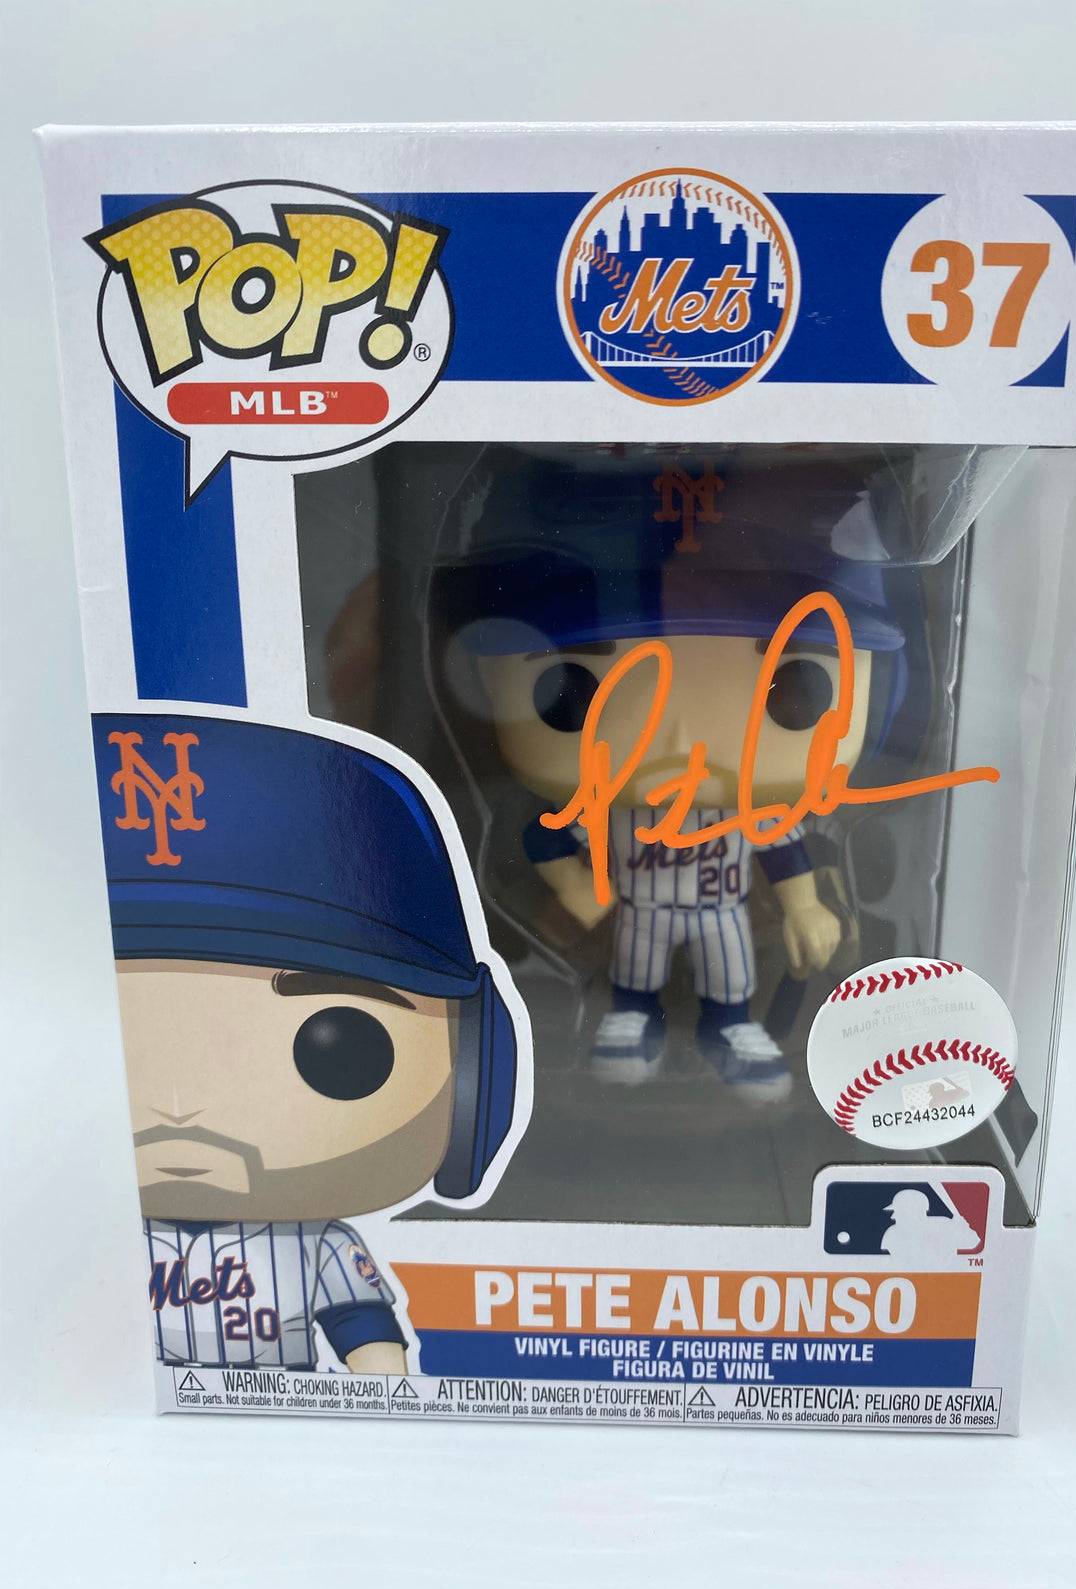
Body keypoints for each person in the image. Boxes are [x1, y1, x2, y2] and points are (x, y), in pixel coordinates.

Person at [435, 446, 908, 1103]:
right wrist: (574, 883)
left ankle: (732, 1027)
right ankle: (632, 1018)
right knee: (636, 977)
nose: (684, 741)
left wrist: (804, 907)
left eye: (793, 688)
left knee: (729, 977)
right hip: (644, 912)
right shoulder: (607, 803)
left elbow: (783, 849)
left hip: (720, 911)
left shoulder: (749, 808)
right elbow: (546, 836)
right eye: (570, 692)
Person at [96, 714, 522, 1373]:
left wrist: (382, 1400)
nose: (179, 1106)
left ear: (471, 1071)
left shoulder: (315, 1241)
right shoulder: (90, 1237)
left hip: (287, 1417)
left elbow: (367, 1335)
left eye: (336, 1048)